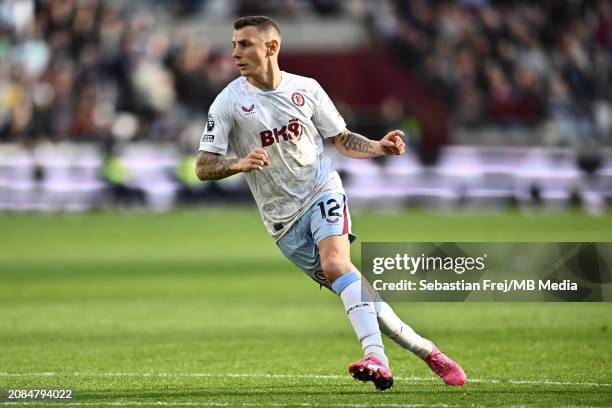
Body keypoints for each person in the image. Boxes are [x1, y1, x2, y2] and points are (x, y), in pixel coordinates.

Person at [195, 15, 467, 391]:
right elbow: (202, 166)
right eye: (234, 44)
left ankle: (377, 358)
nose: (235, 52)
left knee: (337, 263)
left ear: (271, 47)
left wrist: (378, 147)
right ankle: (428, 351)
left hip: (321, 189)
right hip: (282, 224)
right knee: (355, 288)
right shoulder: (227, 103)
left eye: (244, 44)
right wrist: (238, 163)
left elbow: (340, 139)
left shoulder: (306, 89)